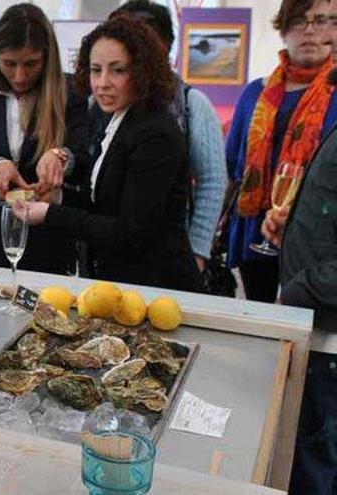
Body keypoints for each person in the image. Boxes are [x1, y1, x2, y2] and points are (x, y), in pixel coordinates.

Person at [13, 15, 202, 292]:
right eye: (95, 70)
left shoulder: (155, 132)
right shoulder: (118, 118)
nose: (102, 83)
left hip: (158, 286)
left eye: (117, 70)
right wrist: (58, 196)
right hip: (125, 282)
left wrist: (50, 214)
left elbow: (130, 234)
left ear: (142, 71)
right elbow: (106, 205)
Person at [0, 3, 89, 301]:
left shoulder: (71, 92)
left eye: (31, 64)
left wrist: (61, 156)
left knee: (43, 327)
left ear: (47, 58)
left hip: (47, 239)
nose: (19, 75)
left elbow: (85, 155)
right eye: (9, 63)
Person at [261, 1, 337, 491]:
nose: (317, 34)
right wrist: (292, 226)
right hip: (313, 321)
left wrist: (300, 287)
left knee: (314, 461)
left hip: (327, 330)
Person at [104, 0, 228, 275]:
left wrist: (197, 250)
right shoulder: (103, 102)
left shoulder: (191, 103)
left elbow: (212, 180)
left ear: (165, 47)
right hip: (109, 246)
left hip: (170, 252)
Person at [225, 0, 337, 303]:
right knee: (260, 320)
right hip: (254, 230)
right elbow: (232, 165)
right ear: (284, 30)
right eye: (299, 21)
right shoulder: (255, 92)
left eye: (321, 21)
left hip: (314, 237)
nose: (309, 32)